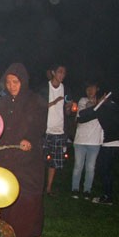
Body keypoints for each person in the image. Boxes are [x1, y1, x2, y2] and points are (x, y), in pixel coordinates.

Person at [0, 63, 47, 237]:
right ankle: (11, 236)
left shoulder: (34, 101)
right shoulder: (3, 103)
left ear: (23, 81)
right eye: (8, 82)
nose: (11, 86)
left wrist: (30, 140)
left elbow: (39, 125)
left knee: (29, 196)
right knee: (9, 196)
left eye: (15, 82)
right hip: (8, 157)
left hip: (28, 158)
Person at [78, 92, 119, 206]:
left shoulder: (103, 106)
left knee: (104, 170)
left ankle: (107, 197)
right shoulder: (114, 106)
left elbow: (82, 116)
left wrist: (97, 104)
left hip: (111, 142)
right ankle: (107, 194)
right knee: (106, 170)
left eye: (95, 98)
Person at [39, 63, 73, 196]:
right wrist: (54, 102)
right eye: (59, 72)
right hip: (45, 130)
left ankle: (48, 188)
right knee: (41, 160)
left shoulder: (66, 90)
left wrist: (69, 108)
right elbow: (39, 107)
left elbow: (68, 112)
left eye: (64, 73)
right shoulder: (44, 88)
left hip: (60, 131)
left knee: (55, 161)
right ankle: (38, 187)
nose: (62, 75)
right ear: (53, 72)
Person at [71, 81, 103, 199]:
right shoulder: (82, 101)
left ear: (97, 89)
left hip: (95, 141)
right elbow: (82, 116)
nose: (90, 91)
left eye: (93, 88)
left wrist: (99, 105)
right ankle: (75, 188)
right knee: (78, 165)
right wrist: (96, 106)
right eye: (88, 88)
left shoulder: (102, 103)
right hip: (80, 140)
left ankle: (87, 190)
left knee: (90, 167)